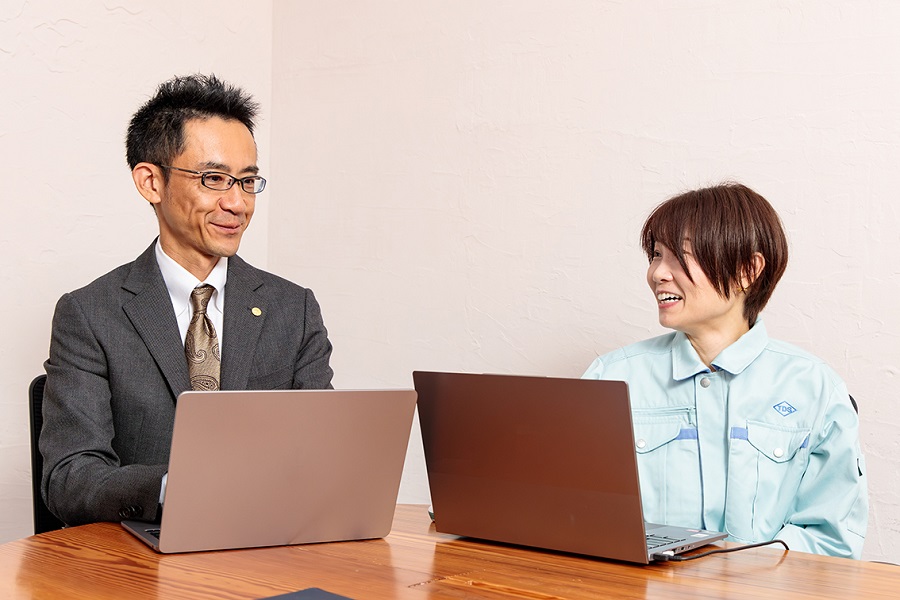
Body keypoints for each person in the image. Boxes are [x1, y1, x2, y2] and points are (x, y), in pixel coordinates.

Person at [40, 74, 334, 526]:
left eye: (248, 181)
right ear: (151, 183)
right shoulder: (90, 314)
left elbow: (321, 452)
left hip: (270, 544)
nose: (237, 204)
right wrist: (181, 486)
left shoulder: (292, 309)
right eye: (214, 179)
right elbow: (70, 477)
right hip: (145, 558)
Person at [583, 183, 867, 558]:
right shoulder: (611, 378)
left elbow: (831, 541)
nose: (657, 274)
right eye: (656, 256)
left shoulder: (815, 389)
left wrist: (733, 577)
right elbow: (580, 516)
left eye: (680, 257)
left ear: (747, 270)